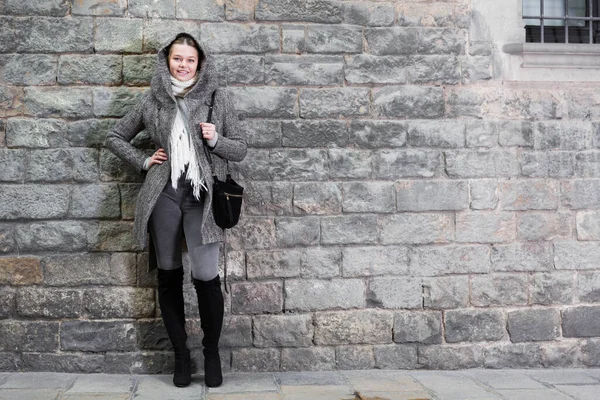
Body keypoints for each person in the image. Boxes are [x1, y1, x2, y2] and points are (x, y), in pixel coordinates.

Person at [105, 32, 247, 388]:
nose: (183, 66)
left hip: (202, 197)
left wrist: (215, 140)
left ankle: (211, 353)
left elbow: (241, 148)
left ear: (200, 63)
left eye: (190, 60)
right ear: (166, 60)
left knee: (205, 277)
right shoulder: (153, 101)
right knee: (168, 278)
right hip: (164, 195)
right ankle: (181, 356)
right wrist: (143, 160)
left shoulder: (218, 97)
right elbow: (114, 137)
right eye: (177, 59)